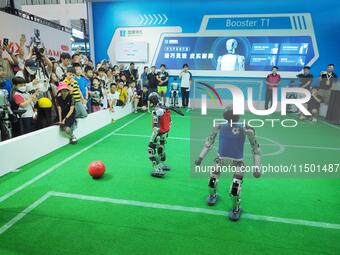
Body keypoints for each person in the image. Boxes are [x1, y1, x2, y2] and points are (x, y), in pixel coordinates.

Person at [195, 106, 261, 221]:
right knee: (212, 182)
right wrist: (200, 157)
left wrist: (256, 167)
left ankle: (236, 208)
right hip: (221, 159)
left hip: (238, 162)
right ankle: (212, 195)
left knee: (235, 189)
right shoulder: (219, 126)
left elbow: (256, 149)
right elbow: (208, 143)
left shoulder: (246, 128)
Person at [147, 92, 172, 177]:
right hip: (164, 132)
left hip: (158, 133)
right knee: (161, 147)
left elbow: (156, 126)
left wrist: (152, 139)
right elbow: (170, 122)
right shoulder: (165, 108)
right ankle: (162, 164)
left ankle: (157, 168)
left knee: (150, 149)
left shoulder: (156, 111)